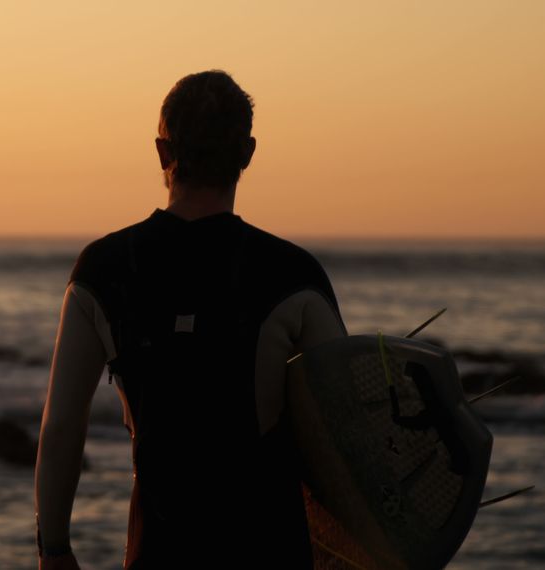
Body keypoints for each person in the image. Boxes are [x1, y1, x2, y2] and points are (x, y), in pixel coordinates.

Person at [34, 69, 349, 569]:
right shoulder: (293, 277)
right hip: (271, 553)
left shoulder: (103, 269)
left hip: (156, 554)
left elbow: (61, 429)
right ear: (247, 154)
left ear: (162, 153)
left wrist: (54, 549)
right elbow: (347, 434)